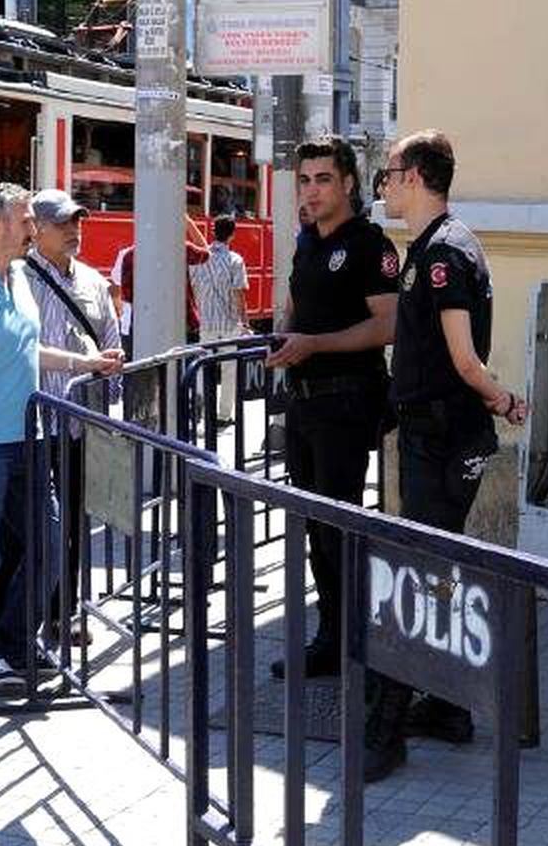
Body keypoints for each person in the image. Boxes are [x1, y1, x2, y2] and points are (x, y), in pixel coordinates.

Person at [365, 130, 527, 783]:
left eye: (390, 172)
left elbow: (463, 358)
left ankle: (387, 728)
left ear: (416, 176)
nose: (386, 184)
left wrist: (503, 399)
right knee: (436, 569)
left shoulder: (445, 254)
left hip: (443, 438)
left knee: (419, 576)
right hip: (432, 434)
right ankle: (451, 708)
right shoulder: (430, 248)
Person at [0, 182, 120, 692]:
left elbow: (27, 352)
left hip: (31, 440)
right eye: (26, 220)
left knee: (50, 545)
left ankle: (16, 643)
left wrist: (86, 362)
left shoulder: (17, 279)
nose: (33, 229)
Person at [266, 136, 400, 681]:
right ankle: (333, 633)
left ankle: (350, 640)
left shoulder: (371, 244)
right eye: (304, 180)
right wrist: (283, 332)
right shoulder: (308, 241)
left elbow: (389, 325)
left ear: (348, 183)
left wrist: (314, 345)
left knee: (337, 524)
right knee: (314, 526)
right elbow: (297, 303)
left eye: (323, 179)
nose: (312, 190)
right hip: (302, 404)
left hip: (347, 402)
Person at [25, 189, 123, 637]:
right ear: (37, 229)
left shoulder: (92, 281)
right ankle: (31, 615)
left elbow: (111, 340)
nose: (73, 230)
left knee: (73, 524)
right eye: (63, 223)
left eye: (77, 222)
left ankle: (64, 612)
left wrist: (112, 372)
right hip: (30, 425)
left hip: (80, 424)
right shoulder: (17, 279)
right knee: (36, 525)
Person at [109, 217, 211, 354]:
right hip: (181, 322)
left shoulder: (130, 255)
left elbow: (127, 296)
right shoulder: (181, 248)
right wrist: (188, 222)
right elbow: (206, 254)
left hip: (144, 325)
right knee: (183, 369)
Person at [188, 214, 251, 423]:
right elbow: (239, 294)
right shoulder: (235, 260)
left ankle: (200, 411)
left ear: (214, 231)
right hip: (230, 323)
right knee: (229, 370)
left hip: (206, 322)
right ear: (232, 235)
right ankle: (224, 415)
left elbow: (193, 286)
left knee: (201, 368)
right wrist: (246, 322)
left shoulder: (199, 258)